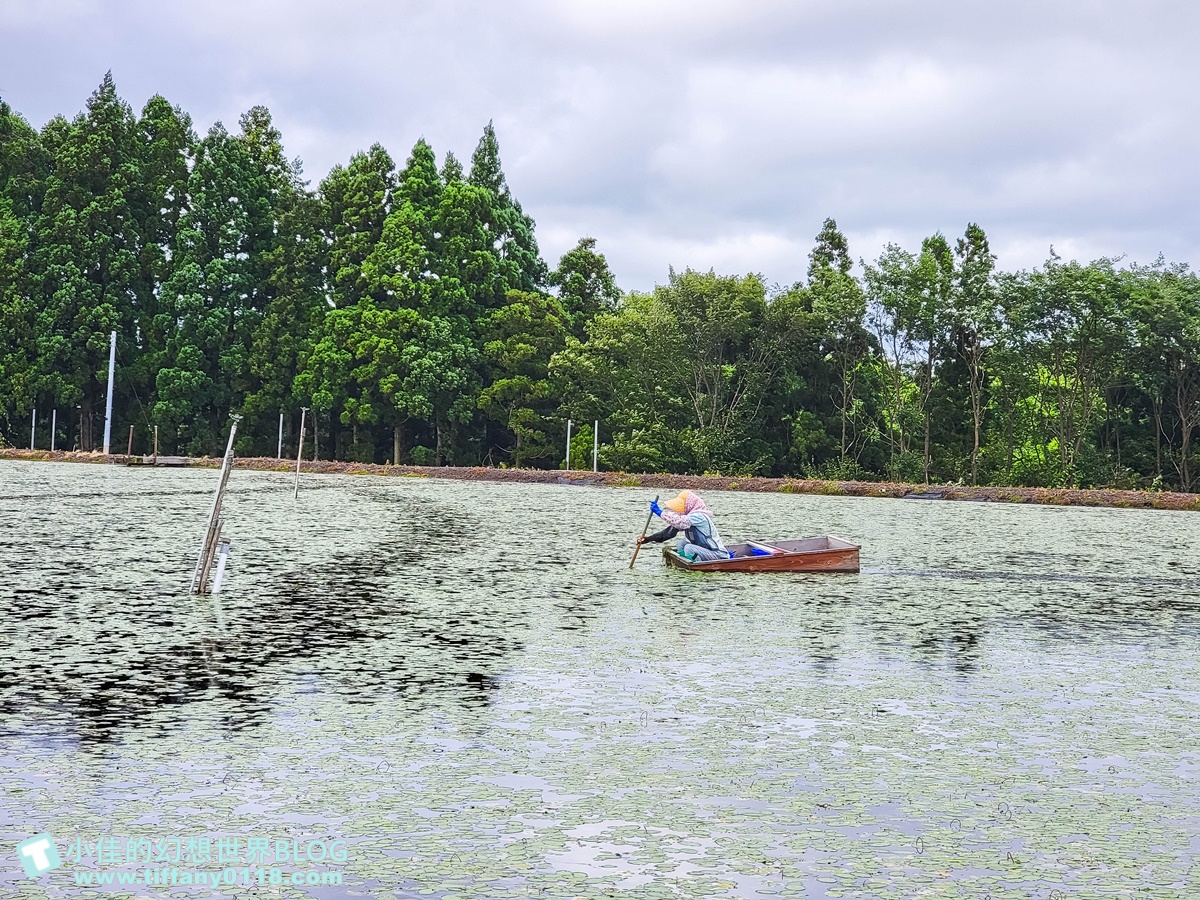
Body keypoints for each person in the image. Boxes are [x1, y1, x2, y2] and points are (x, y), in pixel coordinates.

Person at [637, 490, 732, 561]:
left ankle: (696, 567)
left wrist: (660, 513)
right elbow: (667, 533)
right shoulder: (687, 518)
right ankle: (688, 563)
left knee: (689, 548)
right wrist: (647, 539)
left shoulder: (699, 516)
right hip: (704, 551)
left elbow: (679, 521)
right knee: (680, 544)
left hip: (717, 553)